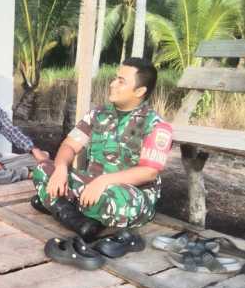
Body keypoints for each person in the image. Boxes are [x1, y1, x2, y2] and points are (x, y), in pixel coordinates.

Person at [32, 57, 173, 240]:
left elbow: (149, 172)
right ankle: (81, 221)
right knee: (43, 169)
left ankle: (58, 205)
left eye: (121, 81)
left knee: (117, 202)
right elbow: (69, 145)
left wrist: (104, 181)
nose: (112, 84)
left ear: (139, 91)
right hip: (90, 184)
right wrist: (60, 169)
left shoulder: (156, 125)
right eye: (115, 78)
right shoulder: (98, 114)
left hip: (126, 193)